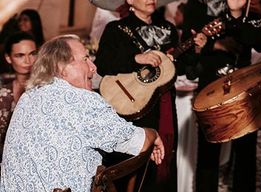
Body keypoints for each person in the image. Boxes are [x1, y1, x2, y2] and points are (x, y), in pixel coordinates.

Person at [0, 35, 164, 192]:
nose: (93, 67)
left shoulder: (28, 97)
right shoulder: (80, 99)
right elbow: (138, 142)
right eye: (85, 59)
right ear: (62, 67)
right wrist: (153, 134)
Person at [91, 0, 203, 192]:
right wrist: (136, 58)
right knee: (130, 164)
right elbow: (102, 64)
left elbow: (180, 70)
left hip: (162, 105)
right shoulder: (116, 29)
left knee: (163, 164)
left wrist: (194, 52)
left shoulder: (169, 28)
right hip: (129, 105)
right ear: (129, 0)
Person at [178, 0, 261, 192]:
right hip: (209, 84)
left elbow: (260, 41)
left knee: (246, 150)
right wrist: (215, 46)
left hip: (243, 84)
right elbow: (189, 45)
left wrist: (237, 17)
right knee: (208, 151)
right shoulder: (197, 4)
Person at [0, 32, 37, 161]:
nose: (27, 61)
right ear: (8, 58)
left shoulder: (47, 90)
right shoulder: (3, 94)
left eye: (32, 54)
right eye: (19, 55)